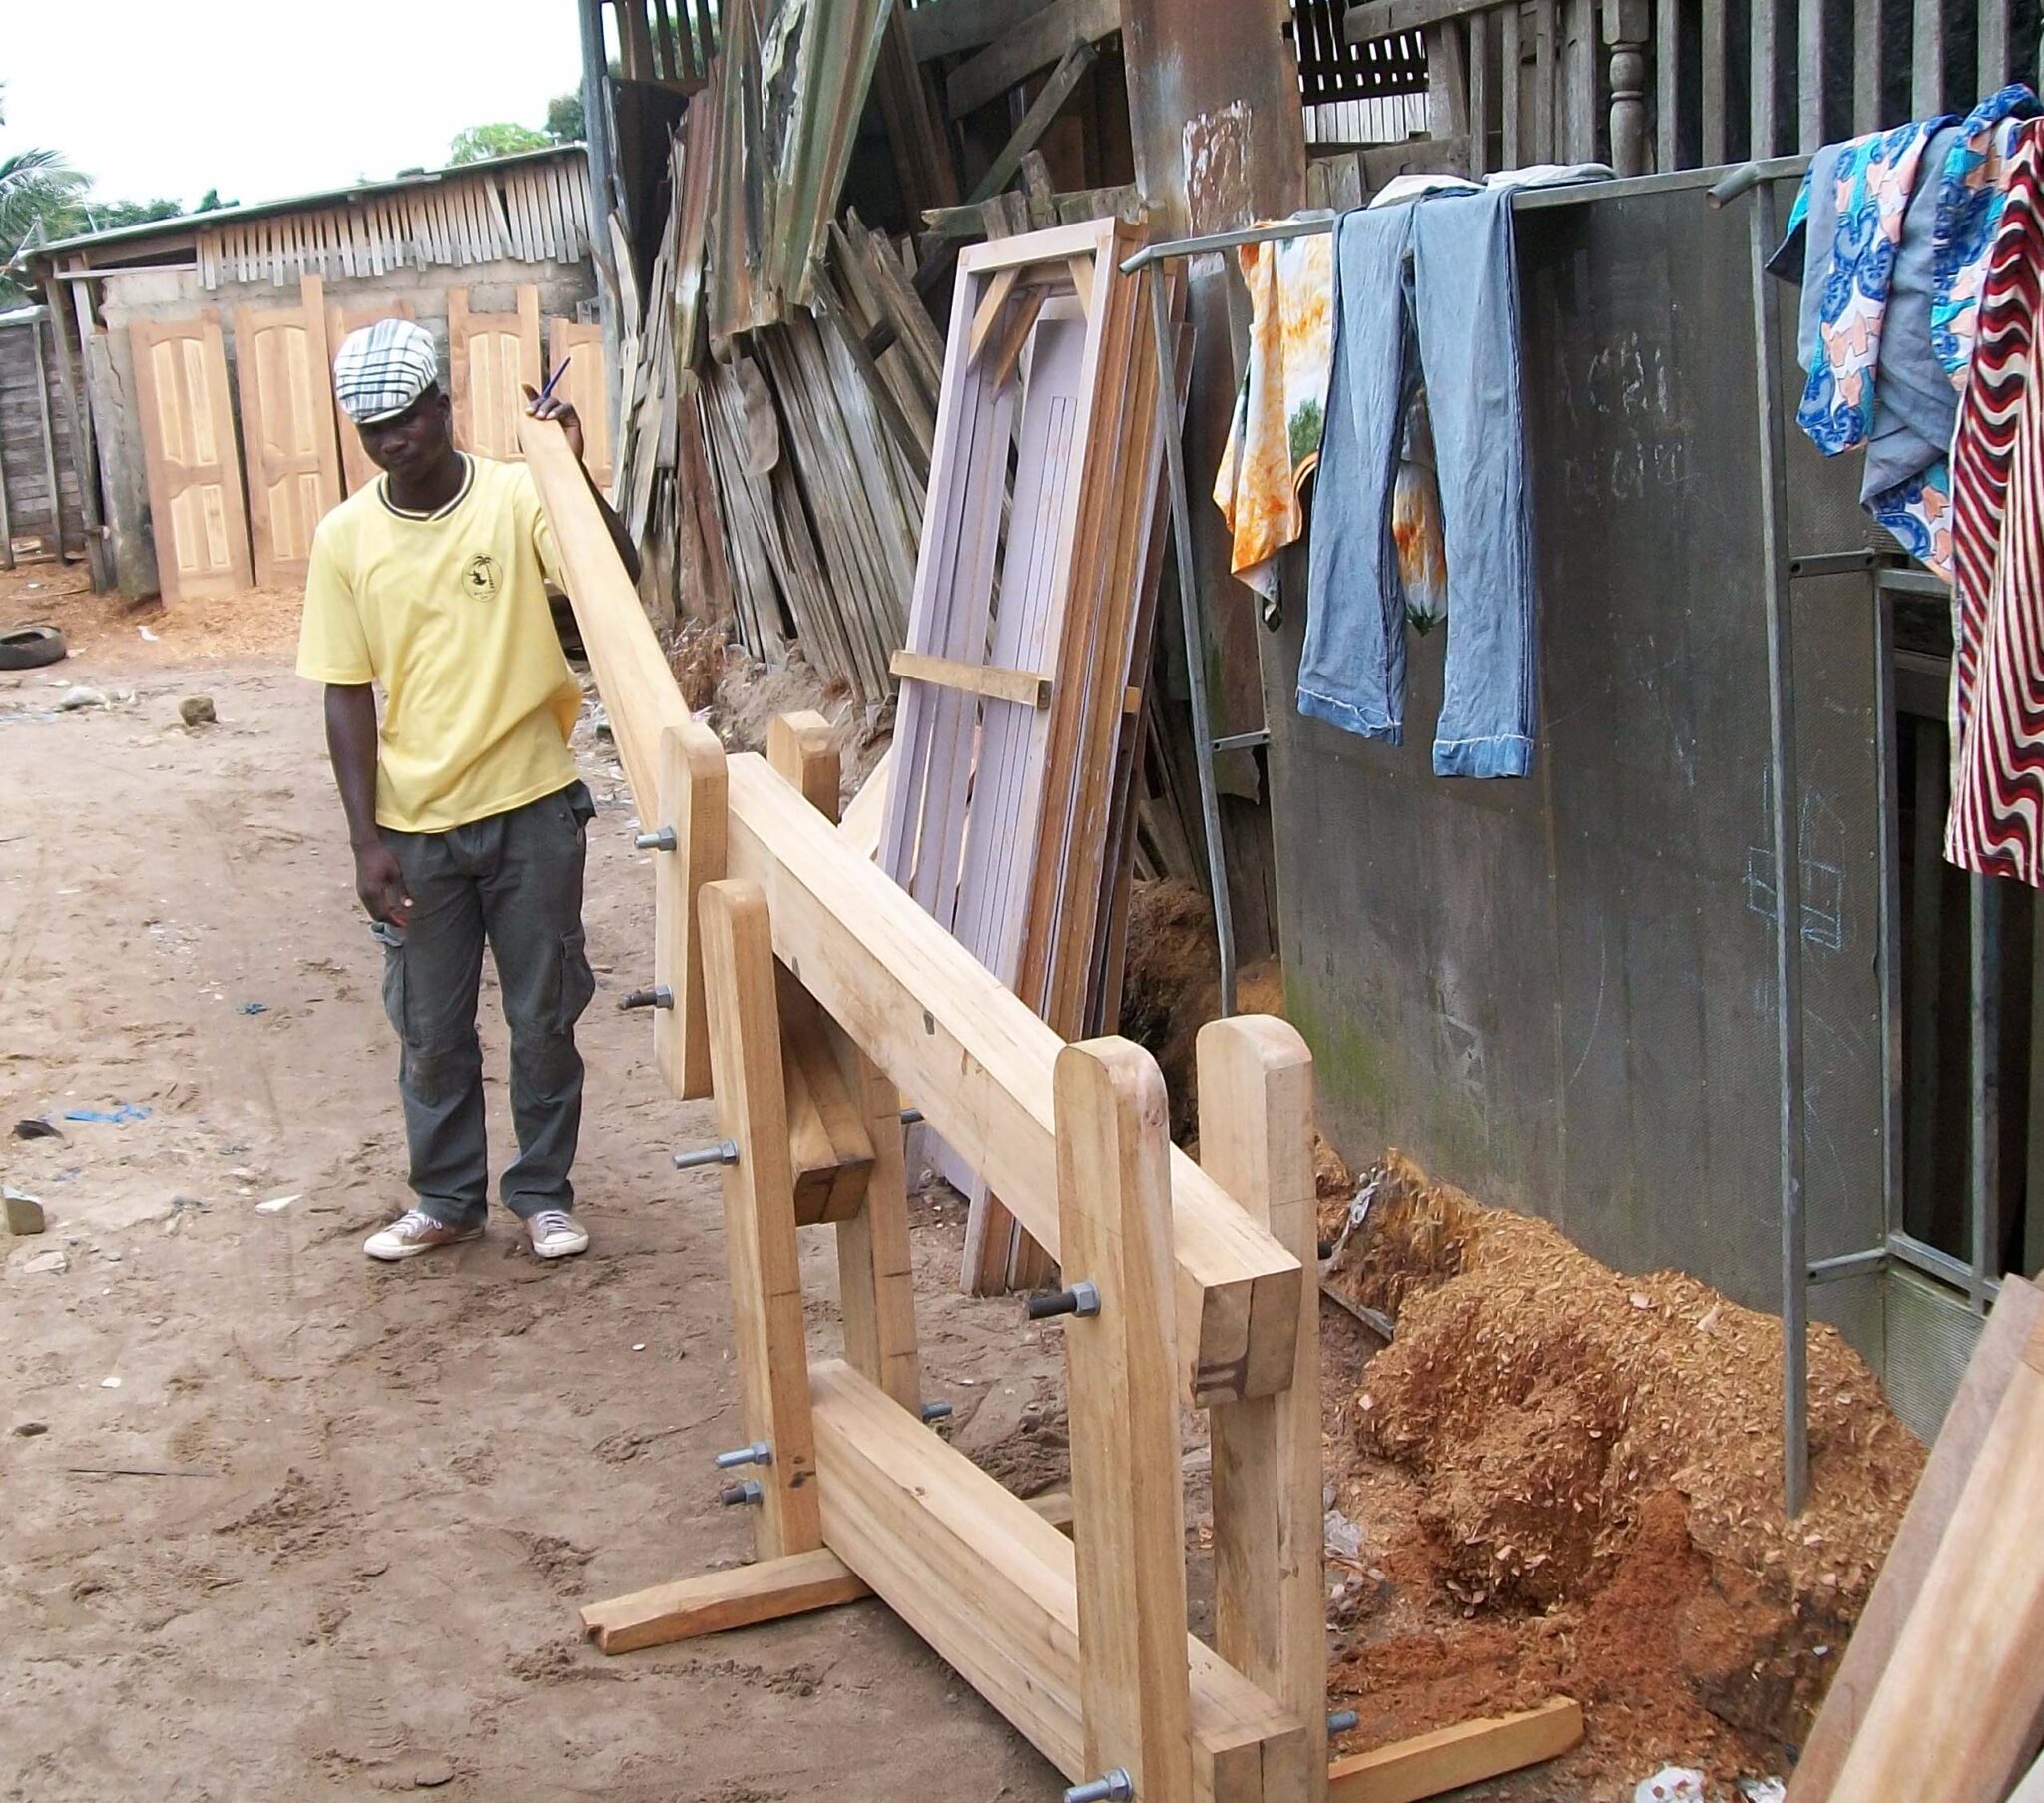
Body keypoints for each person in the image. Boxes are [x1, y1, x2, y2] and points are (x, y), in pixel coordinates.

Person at [296, 318, 640, 1263]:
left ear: (443, 408)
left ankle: (542, 1193)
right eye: (371, 430)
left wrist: (572, 479)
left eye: (403, 420)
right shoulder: (346, 538)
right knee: (431, 1027)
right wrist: (367, 840)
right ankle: (446, 1197)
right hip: (417, 832)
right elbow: (345, 692)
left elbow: (619, 580)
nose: (390, 442)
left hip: (532, 807)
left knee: (543, 1015)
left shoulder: (517, 497)